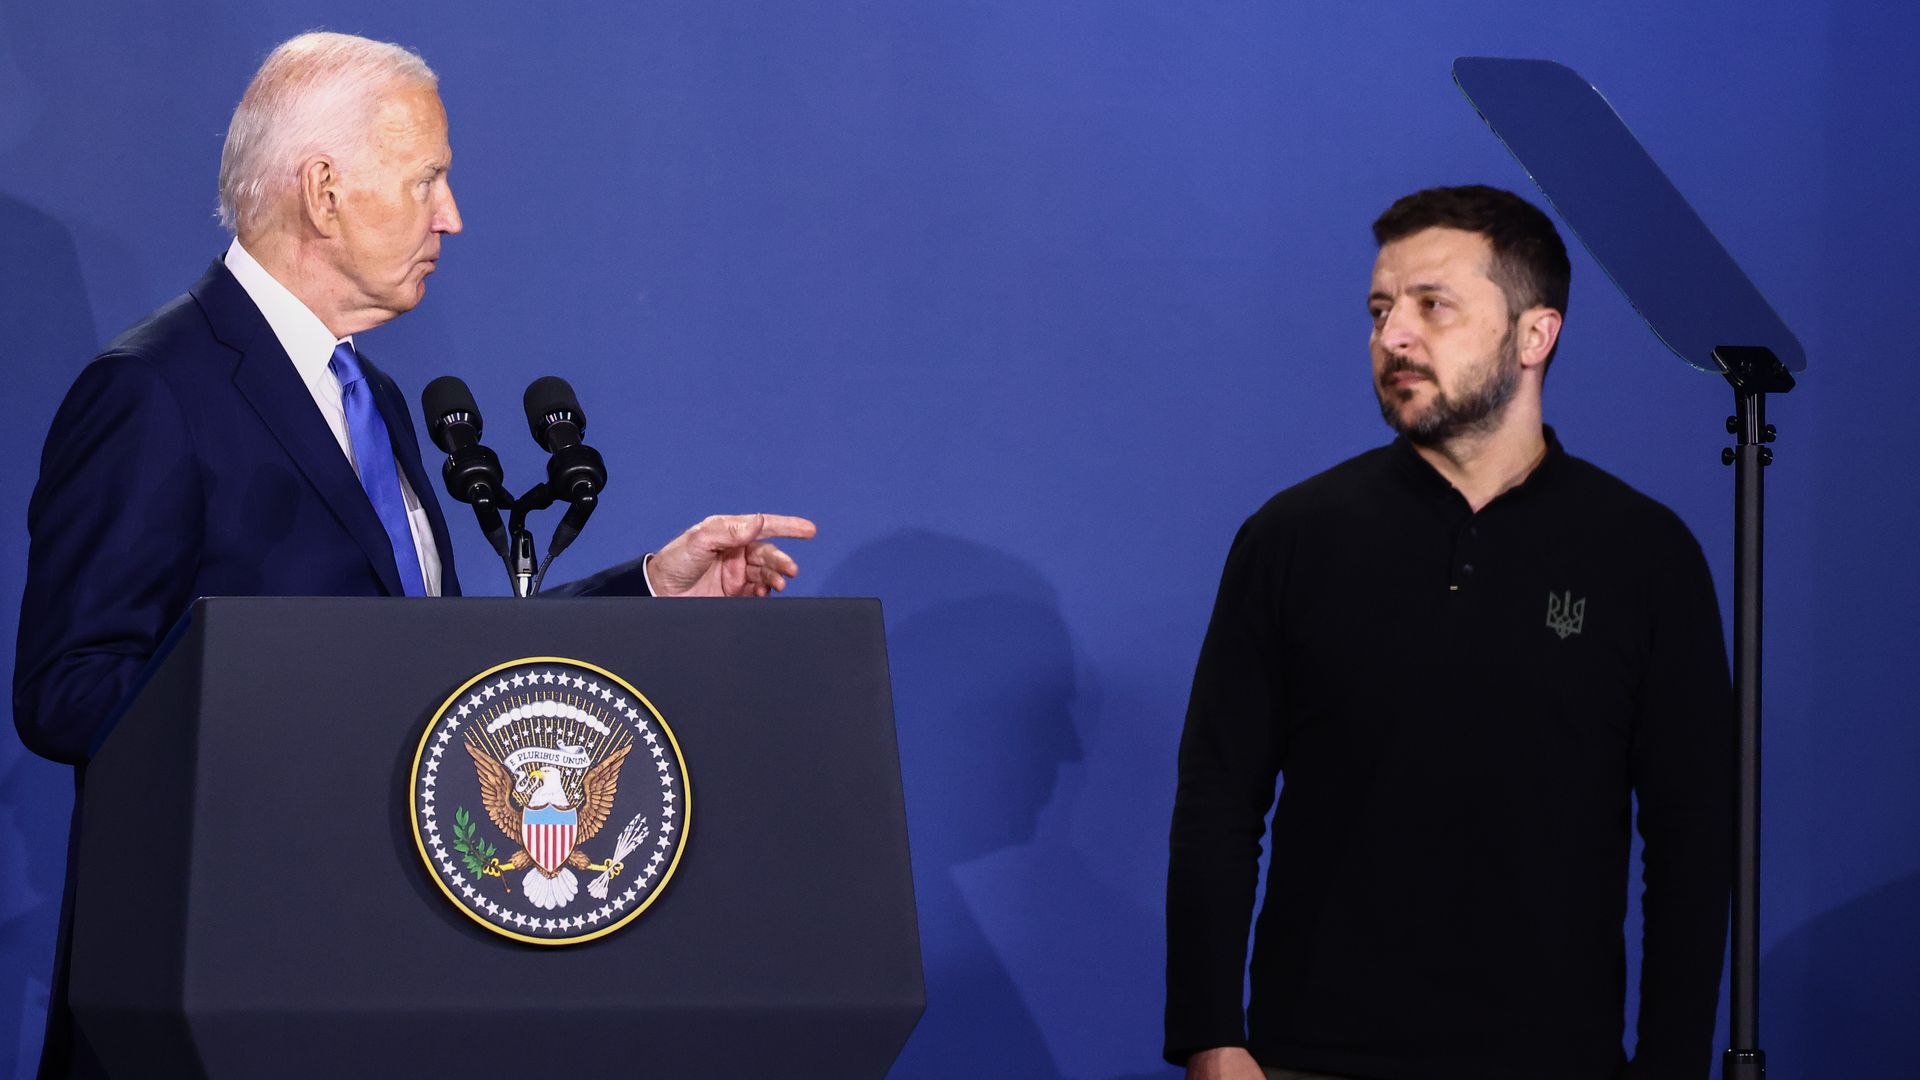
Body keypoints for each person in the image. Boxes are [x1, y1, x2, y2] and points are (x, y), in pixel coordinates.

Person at [14, 32, 812, 1075]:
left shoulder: (374, 398)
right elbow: (68, 691)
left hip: (377, 976)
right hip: (219, 990)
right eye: (428, 178)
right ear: (324, 193)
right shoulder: (153, 390)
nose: (452, 215)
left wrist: (651, 588)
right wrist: (290, 706)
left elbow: (434, 674)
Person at [1164, 186, 1733, 1080]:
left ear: (1535, 335)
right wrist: (1210, 1036)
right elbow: (1218, 800)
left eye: (1432, 305)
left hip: (1555, 1063)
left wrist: (1671, 1067)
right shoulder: (1292, 537)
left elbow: (1692, 838)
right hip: (1312, 1056)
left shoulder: (1644, 554)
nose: (1393, 335)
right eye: (1380, 309)